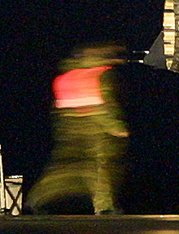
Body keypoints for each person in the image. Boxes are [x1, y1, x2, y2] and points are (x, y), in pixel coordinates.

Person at [26, 45, 128, 215]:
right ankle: (104, 207)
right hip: (92, 127)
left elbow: (58, 106)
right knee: (98, 168)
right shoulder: (96, 74)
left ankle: (36, 198)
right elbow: (99, 103)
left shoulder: (68, 75)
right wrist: (114, 126)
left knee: (65, 168)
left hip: (69, 127)